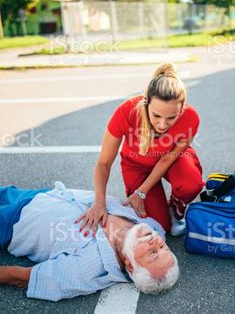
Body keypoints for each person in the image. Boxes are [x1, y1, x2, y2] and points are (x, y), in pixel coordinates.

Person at [0, 155, 179, 302]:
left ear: (131, 265)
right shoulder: (151, 224)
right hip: (51, 196)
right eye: (163, 247)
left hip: (16, 226)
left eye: (153, 253)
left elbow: (27, 278)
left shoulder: (89, 270)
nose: (156, 241)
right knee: (3, 194)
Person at [76, 63, 205, 237]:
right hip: (136, 165)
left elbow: (168, 158)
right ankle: (162, 212)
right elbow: (104, 163)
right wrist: (99, 202)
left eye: (171, 118)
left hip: (171, 159)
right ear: (146, 103)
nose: (162, 124)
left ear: (181, 109)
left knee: (190, 183)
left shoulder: (191, 117)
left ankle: (176, 209)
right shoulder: (125, 112)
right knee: (160, 226)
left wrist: (141, 192)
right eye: (156, 115)